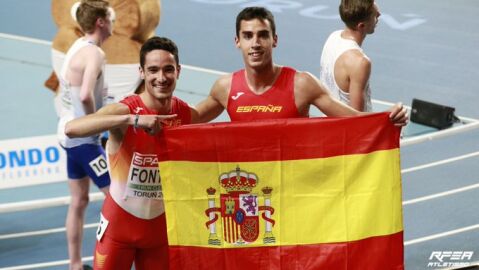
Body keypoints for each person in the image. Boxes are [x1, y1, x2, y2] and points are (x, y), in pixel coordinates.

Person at [65, 36, 195, 270]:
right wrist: (131, 120)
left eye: (168, 70)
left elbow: (217, 112)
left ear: (178, 71)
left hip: (160, 232)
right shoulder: (124, 110)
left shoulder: (182, 114)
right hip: (119, 230)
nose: (161, 78)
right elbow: (71, 129)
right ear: (142, 72)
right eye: (153, 70)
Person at [194, 6, 407, 124]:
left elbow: (352, 119)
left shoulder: (302, 84)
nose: (256, 44)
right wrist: (160, 111)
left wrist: (388, 117)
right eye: (248, 36)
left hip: (293, 193)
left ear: (274, 40)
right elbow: (189, 119)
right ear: (237, 41)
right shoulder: (225, 88)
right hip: (251, 194)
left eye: (263, 36)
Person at [56, 1, 115, 269]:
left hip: (68, 135)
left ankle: (75, 265)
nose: (114, 23)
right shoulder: (94, 54)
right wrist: (98, 125)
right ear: (101, 22)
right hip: (84, 140)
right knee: (117, 198)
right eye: (110, 18)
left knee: (79, 201)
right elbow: (84, 94)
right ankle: (112, 260)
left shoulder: (76, 47)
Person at [319, 0, 380, 112]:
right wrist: (389, 115)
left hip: (328, 120)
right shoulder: (360, 62)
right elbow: (356, 118)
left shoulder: (333, 36)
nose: (379, 14)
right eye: (374, 15)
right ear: (361, 26)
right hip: (346, 128)